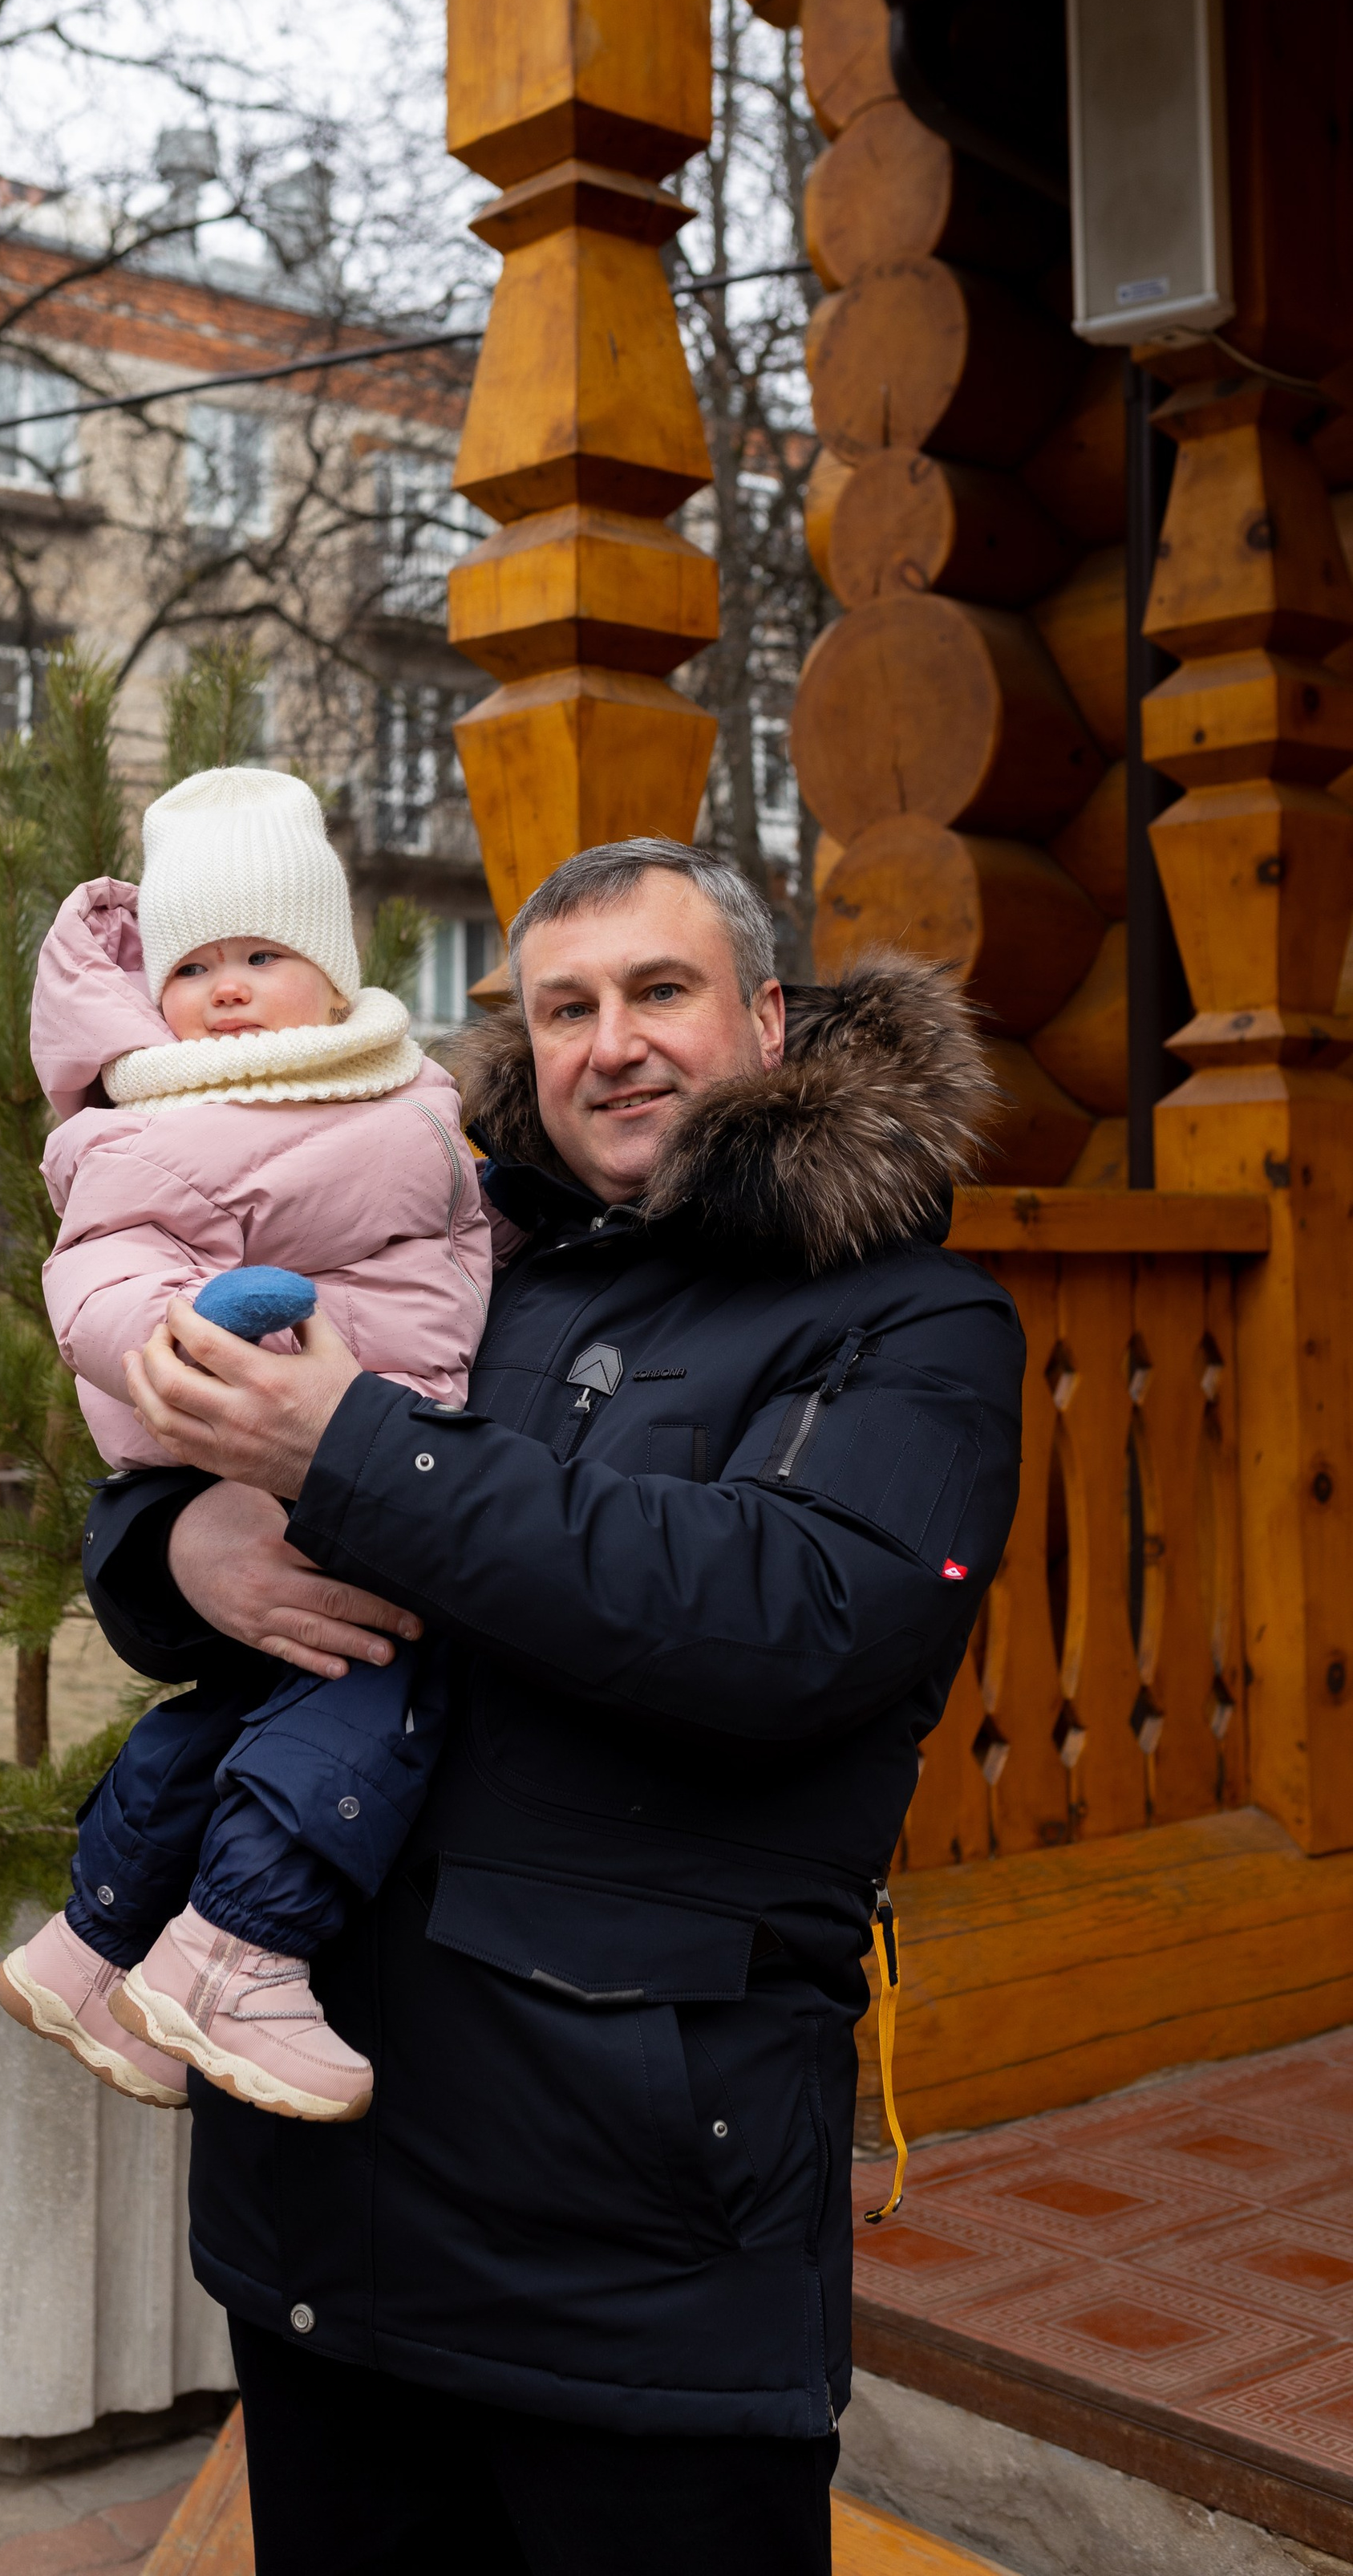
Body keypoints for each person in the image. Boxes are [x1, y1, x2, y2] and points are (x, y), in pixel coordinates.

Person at [84, 838, 1025, 2576]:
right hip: (324, 2221)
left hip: (635, 2256)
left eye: (658, 992)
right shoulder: (442, 1245)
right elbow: (184, 1454)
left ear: (762, 1015)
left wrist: (351, 1450)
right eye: (563, 1007)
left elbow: (788, 1621)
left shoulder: (904, 1319)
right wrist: (173, 1548)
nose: (612, 1043)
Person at [0, 765, 491, 2124]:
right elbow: (98, 1271)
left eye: (261, 954)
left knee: (237, 1718)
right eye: (194, 962)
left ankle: (98, 1946)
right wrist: (185, 1339)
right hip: (270, 1429)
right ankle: (238, 1954)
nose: (224, 988)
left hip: (384, 1446)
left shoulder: (394, 1084)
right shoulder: (166, 1114)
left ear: (332, 976)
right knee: (377, 1675)